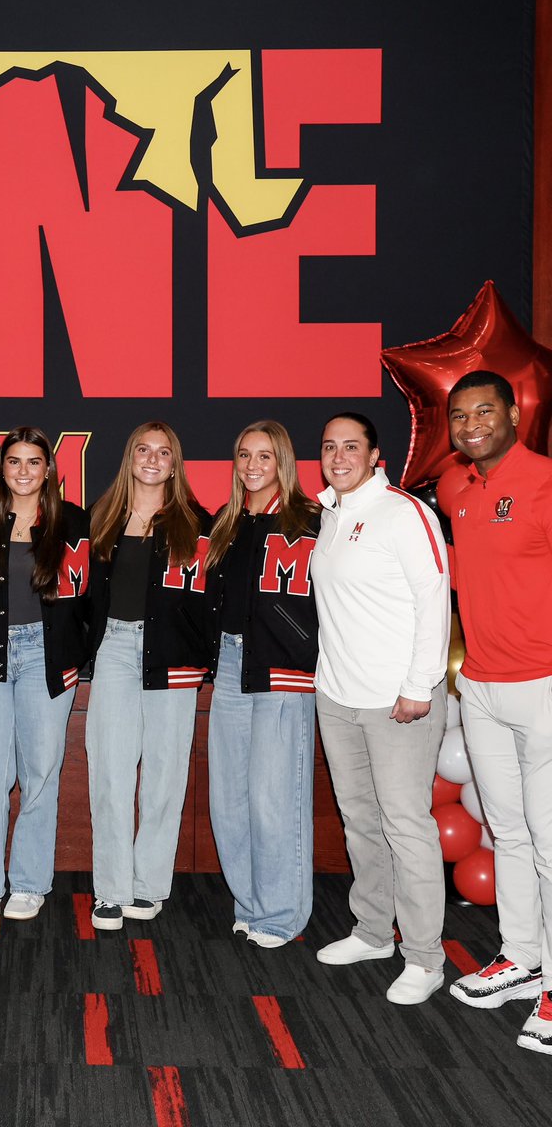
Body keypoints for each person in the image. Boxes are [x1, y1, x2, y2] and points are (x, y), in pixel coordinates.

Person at [310, 412, 450, 1005]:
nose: (339, 457)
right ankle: (373, 931)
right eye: (329, 447)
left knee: (406, 825)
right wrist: (327, 684)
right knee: (360, 821)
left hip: (400, 703)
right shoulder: (330, 513)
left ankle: (425, 957)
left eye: (351, 447)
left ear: (375, 456)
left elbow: (434, 599)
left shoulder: (404, 512)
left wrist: (419, 685)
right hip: (339, 697)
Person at [439, 370, 552, 1054]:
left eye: (484, 411)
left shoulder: (544, 480)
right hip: (479, 685)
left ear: (513, 413)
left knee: (550, 843)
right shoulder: (457, 488)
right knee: (508, 832)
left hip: (543, 685)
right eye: (459, 415)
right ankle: (523, 956)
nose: (471, 425)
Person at [0, 427, 90, 922]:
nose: (24, 471)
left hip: (46, 658)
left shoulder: (73, 521)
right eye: (14, 461)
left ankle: (30, 883)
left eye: (34, 462)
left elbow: (90, 596)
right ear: (2, 467)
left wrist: (76, 650)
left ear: (48, 469)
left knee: (40, 774)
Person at [86, 421, 211, 931]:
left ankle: (149, 885)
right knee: (110, 772)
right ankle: (110, 890)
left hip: (173, 655)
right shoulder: (101, 517)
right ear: (130, 457)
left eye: (163, 452)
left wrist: (202, 655)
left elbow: (208, 601)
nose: (153, 459)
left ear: (174, 463)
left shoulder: (196, 523)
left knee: (165, 773)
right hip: (115, 648)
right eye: (144, 449)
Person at [203, 420, 320, 948]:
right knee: (229, 797)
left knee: (275, 797)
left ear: (283, 463)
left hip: (282, 668)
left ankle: (279, 915)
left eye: (265, 456)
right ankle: (250, 904)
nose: (253, 465)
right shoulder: (226, 521)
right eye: (245, 454)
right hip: (231, 665)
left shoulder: (310, 519)